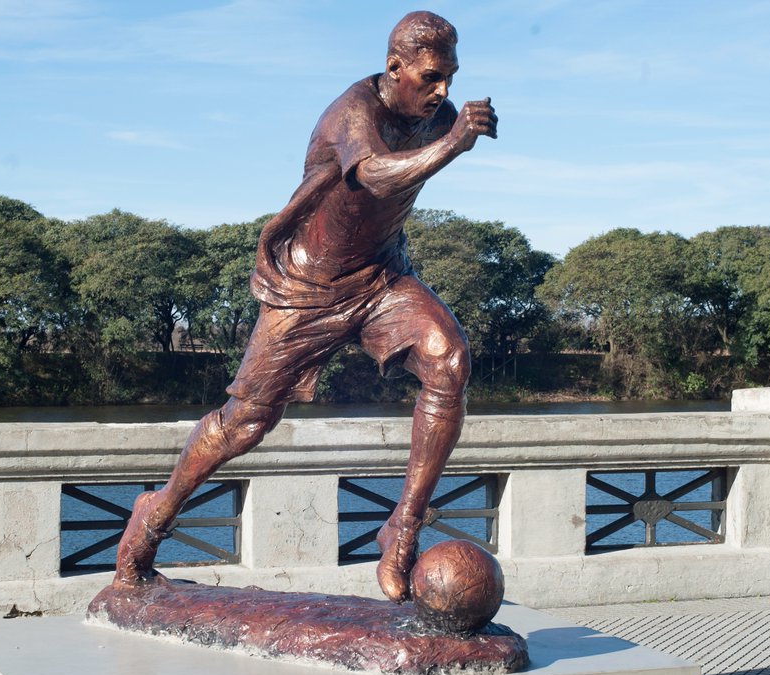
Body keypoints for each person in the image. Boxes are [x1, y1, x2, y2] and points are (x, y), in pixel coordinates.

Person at [115, 10, 497, 602]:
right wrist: (454, 144)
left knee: (449, 360)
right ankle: (153, 518)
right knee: (243, 425)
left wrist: (448, 135)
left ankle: (401, 529)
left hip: (381, 279)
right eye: (430, 77)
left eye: (450, 76)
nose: (444, 91)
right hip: (307, 289)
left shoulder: (437, 117)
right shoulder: (355, 111)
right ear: (395, 68)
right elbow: (372, 177)